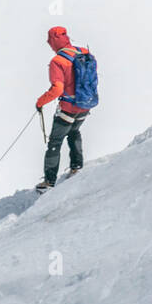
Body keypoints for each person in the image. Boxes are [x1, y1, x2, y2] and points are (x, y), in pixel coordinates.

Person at [36, 26, 92, 191]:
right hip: (86, 104)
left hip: (68, 107)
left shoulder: (57, 61)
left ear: (53, 41)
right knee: (74, 132)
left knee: (55, 141)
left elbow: (57, 89)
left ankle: (49, 182)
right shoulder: (84, 53)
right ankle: (77, 167)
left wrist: (40, 102)